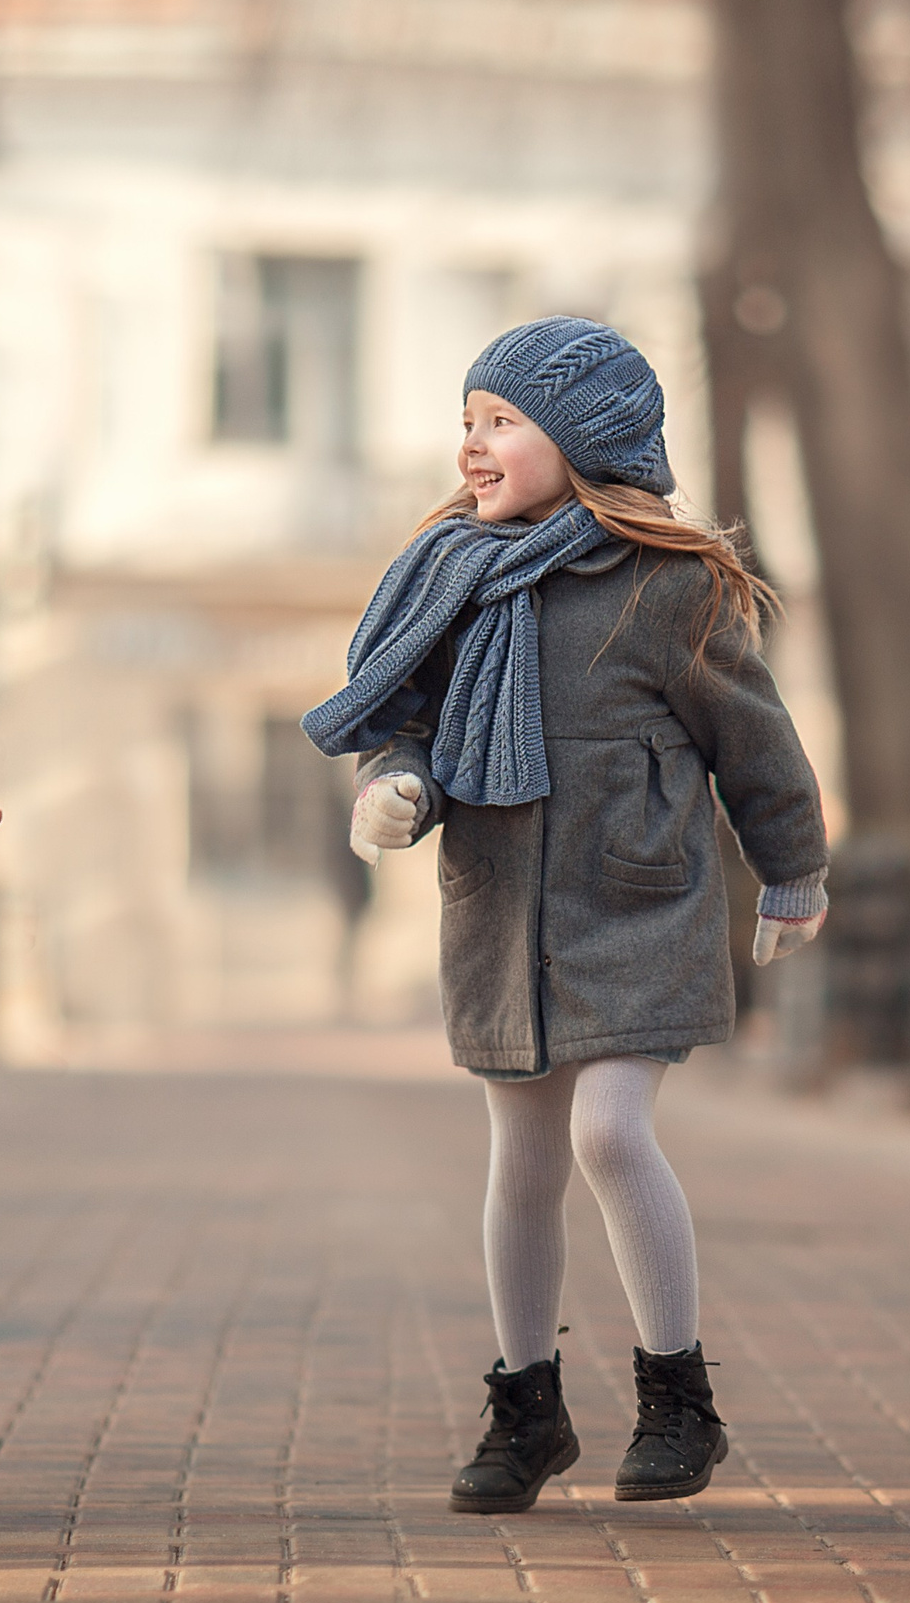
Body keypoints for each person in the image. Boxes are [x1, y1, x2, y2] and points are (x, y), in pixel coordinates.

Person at [305, 317, 829, 1513]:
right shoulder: (445, 572)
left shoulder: (669, 585)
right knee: (523, 1158)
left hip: (636, 902)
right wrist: (391, 784)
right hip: (500, 906)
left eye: (501, 424)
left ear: (584, 438)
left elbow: (754, 739)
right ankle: (527, 1408)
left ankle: (676, 1398)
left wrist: (791, 869)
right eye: (467, 423)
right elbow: (410, 724)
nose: (472, 449)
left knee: (605, 1133)